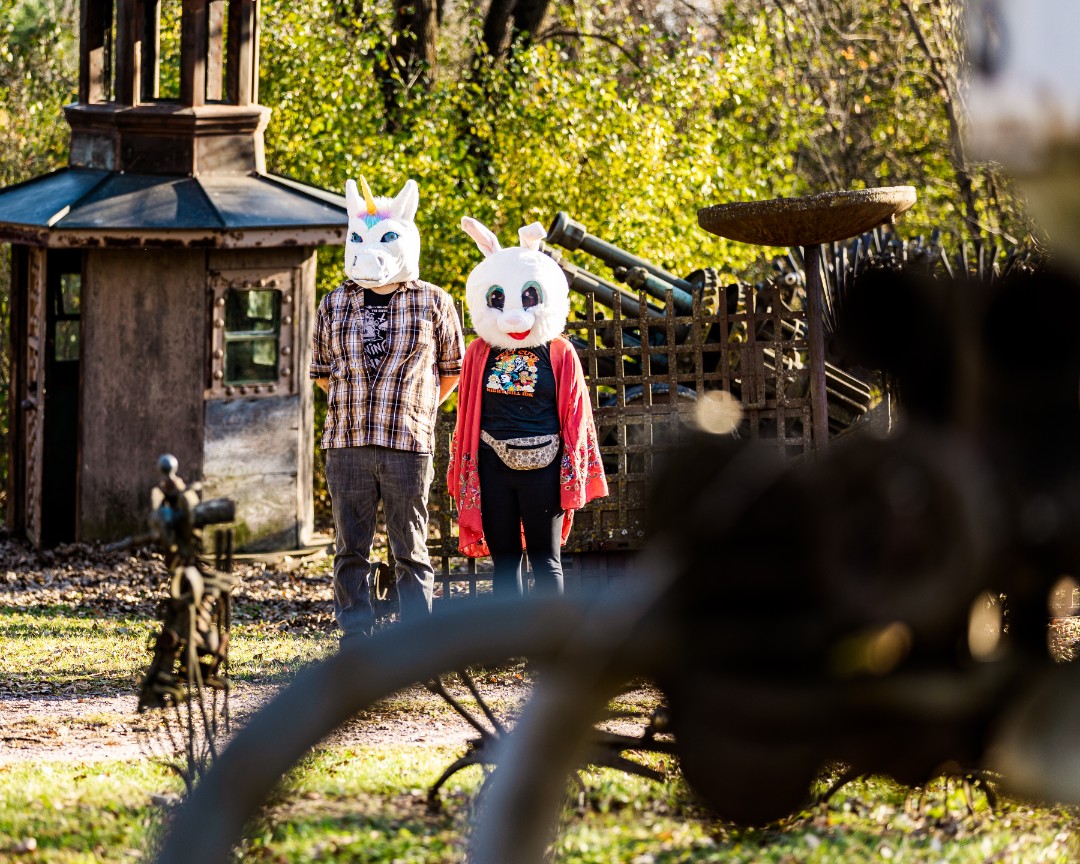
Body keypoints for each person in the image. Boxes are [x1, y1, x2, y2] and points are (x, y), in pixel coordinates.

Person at [311, 177, 464, 642]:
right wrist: (359, 403)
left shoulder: (433, 301)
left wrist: (418, 407)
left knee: (410, 548)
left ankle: (416, 644)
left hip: (408, 444)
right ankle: (355, 636)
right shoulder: (334, 301)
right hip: (347, 443)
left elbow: (451, 369)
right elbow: (320, 370)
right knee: (349, 549)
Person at [448, 217, 608, 595]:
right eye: (498, 300)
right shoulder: (478, 352)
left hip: (545, 470)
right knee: (505, 561)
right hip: (491, 467)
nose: (514, 312)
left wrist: (573, 468)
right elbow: (467, 414)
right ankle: (511, 644)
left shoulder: (560, 352)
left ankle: (551, 644)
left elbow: (575, 415)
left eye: (528, 298)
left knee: (545, 558)